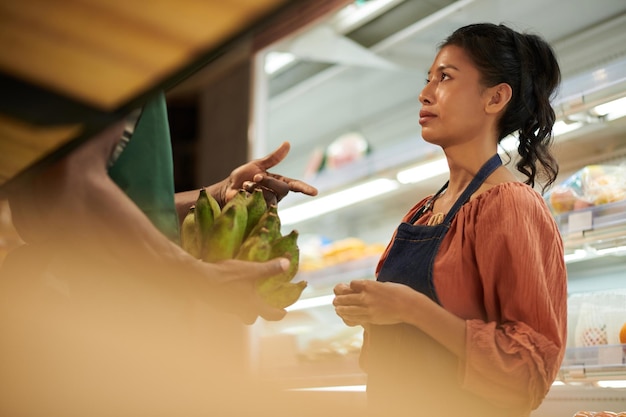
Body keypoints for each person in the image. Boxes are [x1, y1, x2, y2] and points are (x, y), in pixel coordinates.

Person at [0, 92, 323, 416]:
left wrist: (218, 194)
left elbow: (121, 206)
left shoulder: (142, 77)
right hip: (75, 325)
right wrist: (181, 268)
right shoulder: (118, 56)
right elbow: (67, 185)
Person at [332, 23, 567, 417]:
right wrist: (370, 313)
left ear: (495, 98)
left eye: (445, 78)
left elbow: (530, 370)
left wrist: (411, 309)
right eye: (428, 79)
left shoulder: (509, 206)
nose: (425, 93)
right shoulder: (423, 211)